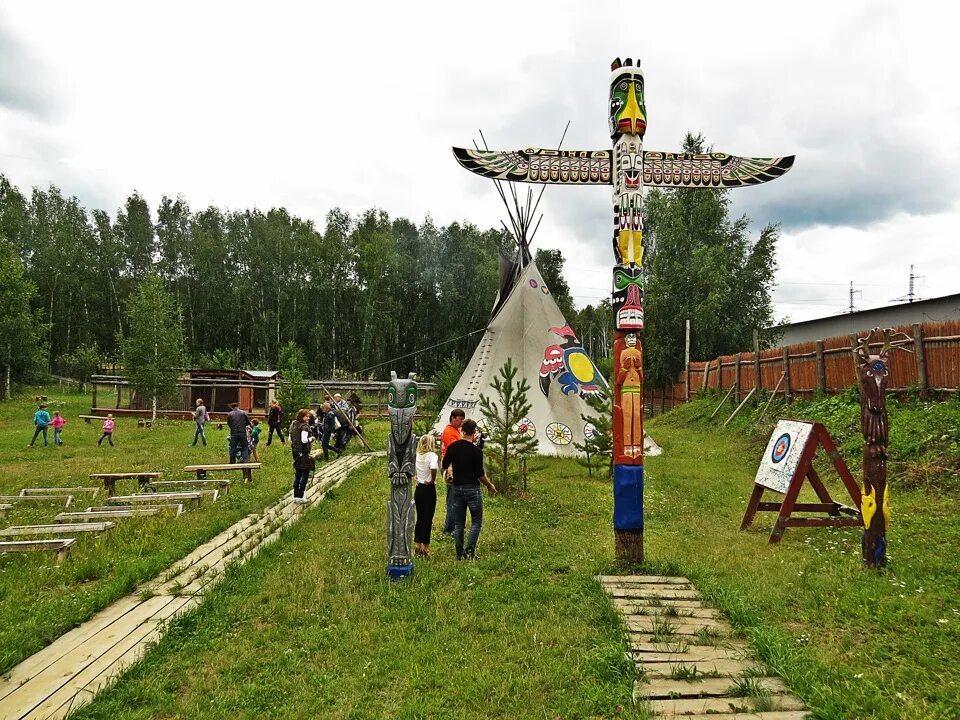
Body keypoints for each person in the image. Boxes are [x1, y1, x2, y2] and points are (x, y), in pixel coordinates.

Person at [441, 418, 497, 560]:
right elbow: (480, 475)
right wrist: (489, 486)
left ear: (462, 430)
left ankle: (459, 553)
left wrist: (451, 468)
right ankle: (470, 551)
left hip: (457, 488)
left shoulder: (453, 447)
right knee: (476, 522)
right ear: (474, 433)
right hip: (472, 489)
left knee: (459, 523)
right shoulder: (476, 451)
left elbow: (444, 463)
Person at [440, 409, 465, 534]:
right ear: (453, 418)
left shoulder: (456, 431)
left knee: (456, 498)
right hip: (450, 468)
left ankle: (453, 525)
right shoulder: (450, 432)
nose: (462, 422)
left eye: (463, 419)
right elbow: (455, 451)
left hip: (453, 466)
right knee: (453, 499)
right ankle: (450, 528)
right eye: (460, 419)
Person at [414, 433, 439, 558]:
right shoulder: (432, 455)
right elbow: (433, 467)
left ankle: (418, 544)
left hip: (419, 488)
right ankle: (425, 546)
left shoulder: (417, 455)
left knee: (420, 517)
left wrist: (415, 477)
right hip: (429, 488)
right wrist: (433, 478)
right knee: (428, 518)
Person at [289, 409, 315, 503]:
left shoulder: (293, 425)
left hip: (295, 451)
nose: (308, 418)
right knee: (305, 473)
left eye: (308, 416)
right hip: (303, 452)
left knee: (298, 473)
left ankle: (295, 495)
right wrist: (311, 438)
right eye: (306, 416)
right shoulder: (304, 426)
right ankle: (301, 496)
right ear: (302, 416)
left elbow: (289, 439)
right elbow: (304, 440)